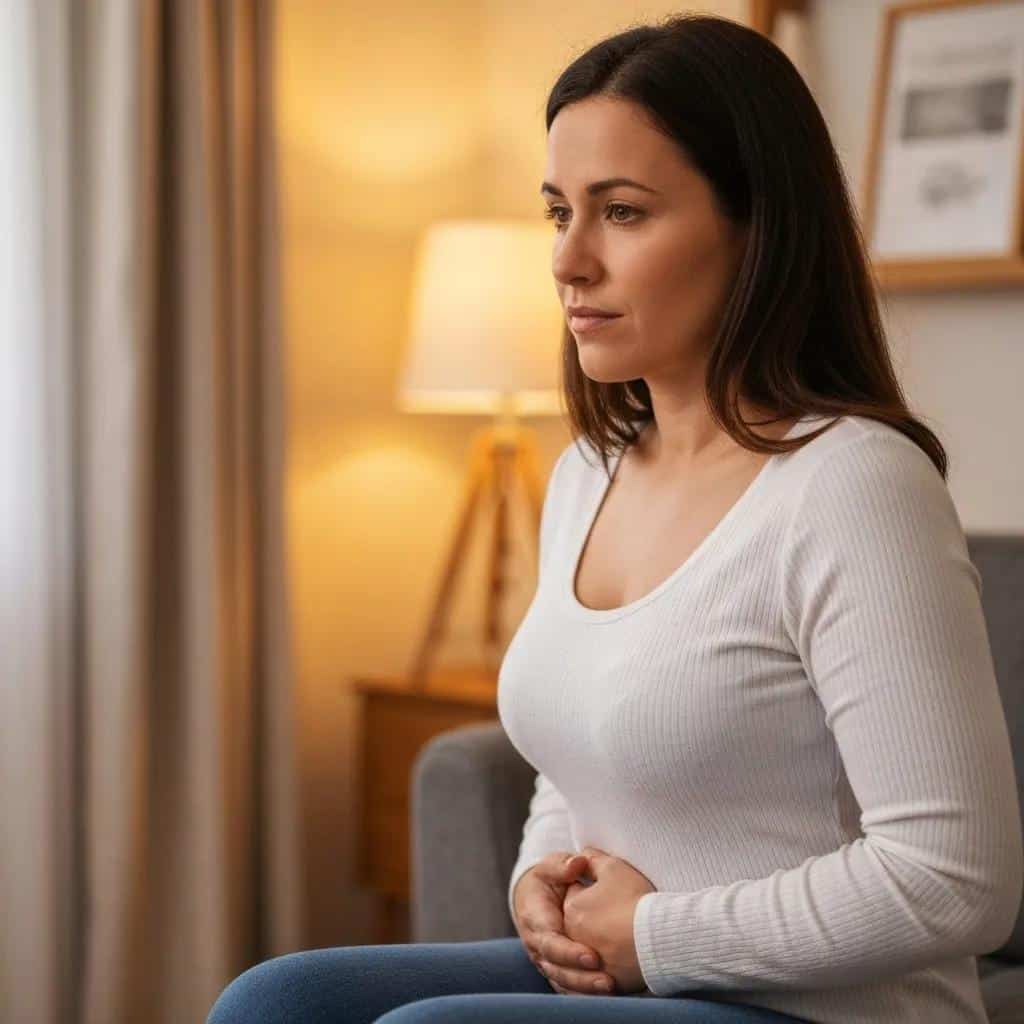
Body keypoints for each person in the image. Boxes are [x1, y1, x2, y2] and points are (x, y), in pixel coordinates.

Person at [206, 12, 1022, 1023]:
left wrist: (653, 934)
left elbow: (955, 878)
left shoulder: (856, 486)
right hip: (653, 983)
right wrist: (539, 887)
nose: (567, 260)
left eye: (623, 212)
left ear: (755, 226)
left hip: (822, 1008)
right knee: (276, 1000)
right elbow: (577, 769)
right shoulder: (592, 471)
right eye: (560, 211)